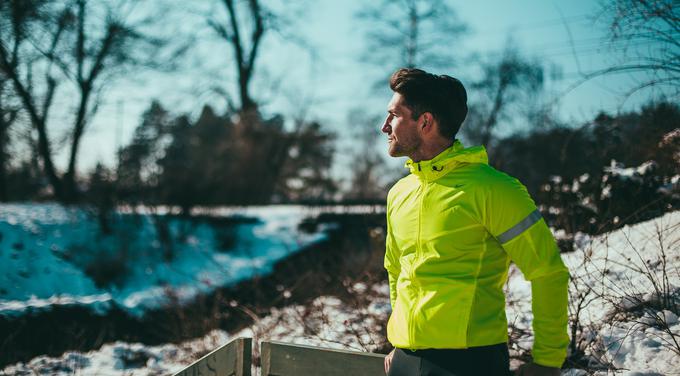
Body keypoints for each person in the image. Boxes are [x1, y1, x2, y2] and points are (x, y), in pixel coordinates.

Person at [381, 68, 569, 376]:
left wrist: (548, 361)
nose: (384, 126)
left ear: (425, 122)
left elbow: (548, 272)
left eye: (394, 115)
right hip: (403, 362)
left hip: (468, 363)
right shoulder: (399, 193)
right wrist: (399, 343)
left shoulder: (494, 190)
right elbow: (396, 270)